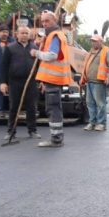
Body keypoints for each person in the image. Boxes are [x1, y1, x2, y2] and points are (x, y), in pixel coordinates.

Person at [30, 11, 72, 148]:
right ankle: (57, 137)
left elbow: (52, 56)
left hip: (54, 79)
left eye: (47, 21)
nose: (44, 24)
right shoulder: (52, 36)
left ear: (54, 20)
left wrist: (36, 53)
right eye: (42, 21)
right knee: (54, 108)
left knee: (53, 109)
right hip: (52, 79)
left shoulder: (55, 36)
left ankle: (56, 139)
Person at [0, 26, 40, 142]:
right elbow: (3, 66)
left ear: (29, 35)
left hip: (31, 82)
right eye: (22, 33)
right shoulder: (10, 48)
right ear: (17, 34)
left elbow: (39, 66)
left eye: (26, 33)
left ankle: (32, 130)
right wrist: (3, 82)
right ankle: (11, 131)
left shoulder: (35, 48)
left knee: (31, 107)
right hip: (15, 82)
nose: (24, 35)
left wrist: (41, 81)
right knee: (14, 107)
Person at [80, 33, 109, 131]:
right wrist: (82, 78)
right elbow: (85, 66)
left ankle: (101, 123)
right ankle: (92, 122)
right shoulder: (91, 52)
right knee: (90, 103)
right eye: (92, 41)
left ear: (101, 42)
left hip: (99, 82)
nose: (93, 43)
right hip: (89, 82)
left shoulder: (107, 51)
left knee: (100, 104)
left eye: (95, 41)